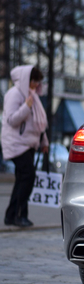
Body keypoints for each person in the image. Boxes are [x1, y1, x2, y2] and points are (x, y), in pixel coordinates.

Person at [1, 65, 49, 227]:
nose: (35, 84)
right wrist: (26, 107)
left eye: (37, 81)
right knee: (28, 176)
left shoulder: (32, 96)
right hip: (16, 143)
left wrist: (44, 142)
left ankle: (11, 215)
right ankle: (19, 215)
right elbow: (11, 120)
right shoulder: (14, 94)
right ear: (25, 79)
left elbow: (38, 124)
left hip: (29, 144)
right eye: (33, 80)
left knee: (22, 178)